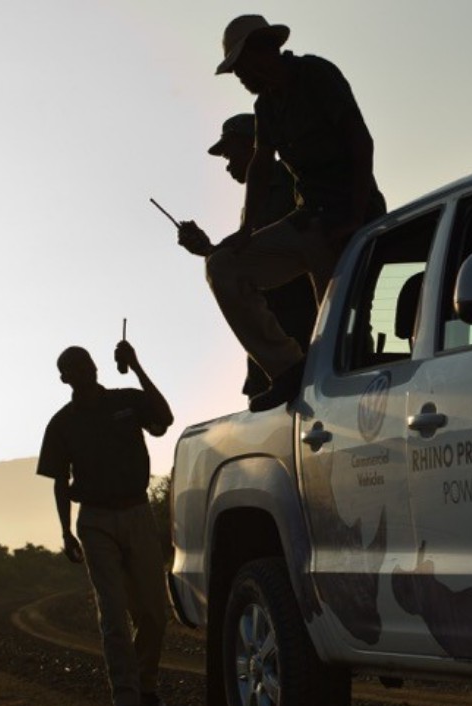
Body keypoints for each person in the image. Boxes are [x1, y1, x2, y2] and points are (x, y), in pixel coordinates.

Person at [206, 14, 386, 412]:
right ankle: (287, 368)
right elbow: (261, 164)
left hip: (348, 220)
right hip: (307, 223)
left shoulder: (316, 75)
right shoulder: (265, 106)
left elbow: (361, 141)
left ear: (263, 50)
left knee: (339, 339)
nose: (240, 77)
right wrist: (246, 231)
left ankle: (354, 401)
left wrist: (355, 220)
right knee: (224, 265)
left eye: (240, 67)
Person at [36, 340, 174, 706]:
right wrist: (65, 531)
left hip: (136, 511)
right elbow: (60, 482)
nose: (85, 370)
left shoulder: (128, 400)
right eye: (75, 368)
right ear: (65, 378)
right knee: (113, 613)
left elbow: (163, 419)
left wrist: (137, 365)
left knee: (153, 612)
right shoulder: (62, 423)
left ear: (96, 367)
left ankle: (146, 688)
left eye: (87, 363)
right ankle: (128, 703)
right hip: (94, 520)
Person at [177, 112, 317, 399]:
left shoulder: (292, 185)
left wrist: (217, 254)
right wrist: (208, 249)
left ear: (253, 146)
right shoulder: (257, 198)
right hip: (276, 338)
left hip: (302, 334)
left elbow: (281, 253)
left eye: (230, 155)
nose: (227, 166)